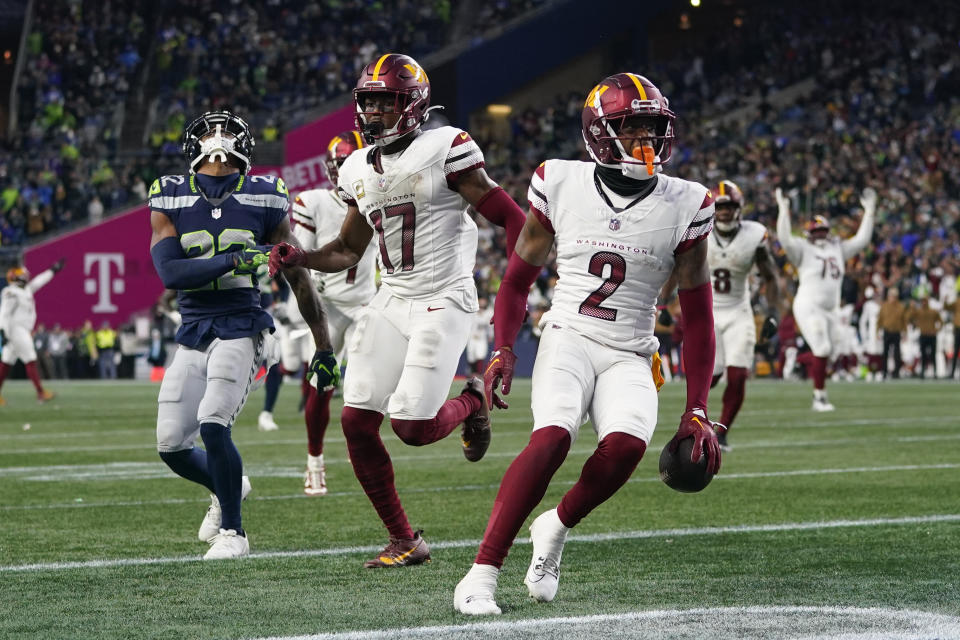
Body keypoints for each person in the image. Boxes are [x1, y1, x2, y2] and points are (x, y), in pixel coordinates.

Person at [453, 72, 722, 615]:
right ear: (600, 134)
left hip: (632, 348)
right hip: (569, 334)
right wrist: (504, 345)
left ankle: (555, 526)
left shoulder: (688, 201)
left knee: (626, 447)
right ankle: (481, 573)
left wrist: (697, 407)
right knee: (551, 438)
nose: (647, 140)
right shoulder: (560, 181)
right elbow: (515, 280)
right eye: (632, 128)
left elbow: (698, 316)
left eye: (653, 127)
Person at [270, 53, 526, 567]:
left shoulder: (445, 146)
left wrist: (517, 289)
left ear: (411, 104)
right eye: (366, 103)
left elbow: (512, 217)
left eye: (384, 103)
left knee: (411, 426)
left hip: (443, 296)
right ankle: (405, 539)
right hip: (391, 297)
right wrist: (302, 256)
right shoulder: (358, 166)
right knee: (356, 420)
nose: (371, 114)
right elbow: (347, 248)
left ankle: (471, 402)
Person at [149, 110, 334, 560]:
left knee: (214, 423)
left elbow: (297, 276)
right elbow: (170, 271)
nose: (218, 140)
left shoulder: (265, 195)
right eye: (209, 131)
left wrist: (323, 345)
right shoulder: (168, 194)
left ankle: (233, 532)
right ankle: (228, 485)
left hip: (241, 323)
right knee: (171, 445)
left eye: (227, 132)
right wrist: (235, 260)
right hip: (194, 328)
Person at [288, 129, 378, 496]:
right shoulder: (312, 202)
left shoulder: (382, 195)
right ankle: (314, 462)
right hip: (329, 309)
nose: (339, 170)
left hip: (368, 306)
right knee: (322, 385)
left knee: (370, 392)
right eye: (336, 164)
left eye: (346, 163)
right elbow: (301, 258)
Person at [774, 187, 876, 410]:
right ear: (809, 234)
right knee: (821, 348)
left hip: (831, 310)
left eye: (823, 231)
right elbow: (784, 238)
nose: (820, 235)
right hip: (809, 305)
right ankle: (819, 398)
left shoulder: (837, 249)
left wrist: (869, 212)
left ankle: (797, 366)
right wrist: (783, 210)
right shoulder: (802, 249)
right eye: (816, 231)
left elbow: (861, 241)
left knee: (831, 352)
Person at [705, 179, 780, 449]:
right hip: (708, 311)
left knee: (737, 375)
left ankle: (722, 432)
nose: (724, 211)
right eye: (720, 206)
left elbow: (771, 277)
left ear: (740, 208)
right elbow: (679, 268)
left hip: (739, 310)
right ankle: (696, 420)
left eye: (730, 206)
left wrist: (772, 313)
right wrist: (666, 304)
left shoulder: (754, 234)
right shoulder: (701, 231)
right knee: (710, 377)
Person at [0, 260, 64, 405]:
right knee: (30, 359)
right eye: (23, 274)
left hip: (20, 330)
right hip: (16, 330)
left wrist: (53, 270)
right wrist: (2, 331)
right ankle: (41, 393)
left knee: (6, 363)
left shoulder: (25, 290)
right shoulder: (10, 292)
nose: (26, 276)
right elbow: (3, 313)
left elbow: (39, 281)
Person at [906, 296, 941, 379]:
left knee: (933, 355)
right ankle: (922, 372)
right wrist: (912, 308)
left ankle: (935, 372)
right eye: (923, 301)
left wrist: (936, 330)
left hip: (932, 335)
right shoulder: (919, 311)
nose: (924, 303)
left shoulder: (933, 311)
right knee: (923, 355)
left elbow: (940, 321)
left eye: (925, 301)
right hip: (923, 335)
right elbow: (909, 318)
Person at [877, 288, 907, 380]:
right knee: (885, 353)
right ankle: (884, 372)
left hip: (896, 331)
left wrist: (905, 333)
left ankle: (896, 372)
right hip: (887, 331)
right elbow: (880, 320)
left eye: (894, 296)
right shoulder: (884, 306)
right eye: (891, 296)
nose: (892, 298)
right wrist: (877, 331)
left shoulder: (900, 307)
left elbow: (904, 321)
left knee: (897, 353)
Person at [858, 286, 883, 380]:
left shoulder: (882, 305)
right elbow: (863, 321)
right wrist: (864, 333)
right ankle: (869, 371)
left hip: (880, 329)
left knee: (879, 351)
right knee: (871, 351)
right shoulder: (868, 305)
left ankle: (879, 371)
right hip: (871, 330)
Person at [465, 296, 494, 375]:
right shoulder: (472, 310)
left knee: (480, 355)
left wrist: (490, 335)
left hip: (482, 337)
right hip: (471, 337)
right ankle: (472, 373)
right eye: (480, 300)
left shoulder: (489, 312)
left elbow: (490, 325)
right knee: (471, 356)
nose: (482, 302)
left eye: (483, 300)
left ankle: (479, 374)